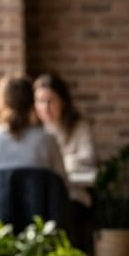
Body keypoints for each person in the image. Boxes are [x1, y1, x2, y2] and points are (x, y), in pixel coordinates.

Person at [0, 74, 69, 191]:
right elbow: (62, 186)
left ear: (1, 102)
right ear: (32, 103)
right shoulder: (47, 141)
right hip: (38, 209)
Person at [33, 72, 98, 210]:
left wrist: (58, 164)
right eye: (40, 101)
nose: (45, 107)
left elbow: (88, 157)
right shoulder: (33, 130)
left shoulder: (78, 127)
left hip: (73, 195)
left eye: (50, 100)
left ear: (62, 101)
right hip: (40, 195)